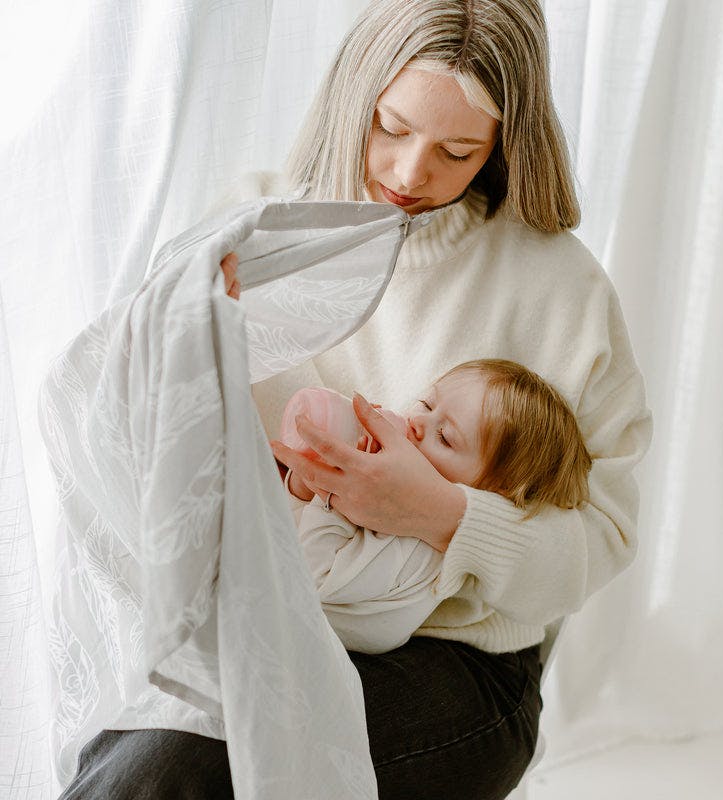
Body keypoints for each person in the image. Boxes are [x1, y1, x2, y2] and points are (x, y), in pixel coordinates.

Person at [59, 1, 652, 798]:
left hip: (456, 661)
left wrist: (439, 514)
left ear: (506, 144)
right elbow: (130, 424)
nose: (411, 175)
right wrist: (191, 329)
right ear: (353, 94)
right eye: (390, 127)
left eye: (457, 149)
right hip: (259, 621)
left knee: (188, 770)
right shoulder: (259, 227)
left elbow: (602, 540)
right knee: (131, 753)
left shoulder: (560, 288)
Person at [282, 359, 592, 655]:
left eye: (444, 437)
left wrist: (326, 498)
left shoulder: (420, 552)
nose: (417, 422)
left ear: (489, 492)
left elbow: (311, 578)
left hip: (315, 641)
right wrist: (307, 477)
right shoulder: (385, 492)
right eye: (427, 405)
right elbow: (288, 530)